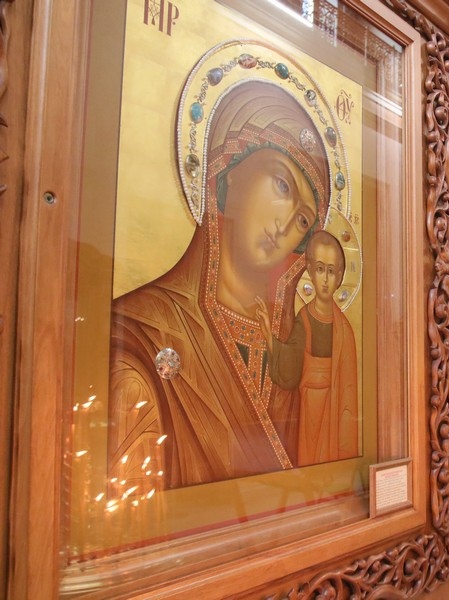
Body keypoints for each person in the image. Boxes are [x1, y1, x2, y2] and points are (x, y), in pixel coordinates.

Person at [108, 78, 338, 489]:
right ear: (229, 170)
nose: (286, 223)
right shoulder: (142, 337)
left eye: (304, 219)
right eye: (282, 184)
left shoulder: (288, 352)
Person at [257, 230, 359, 465]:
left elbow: (349, 393)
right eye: (320, 269)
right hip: (309, 414)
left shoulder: (345, 331)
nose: (325, 279)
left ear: (340, 276)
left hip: (334, 415)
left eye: (331, 271)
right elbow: (290, 370)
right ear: (311, 272)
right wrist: (269, 337)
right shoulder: (303, 319)